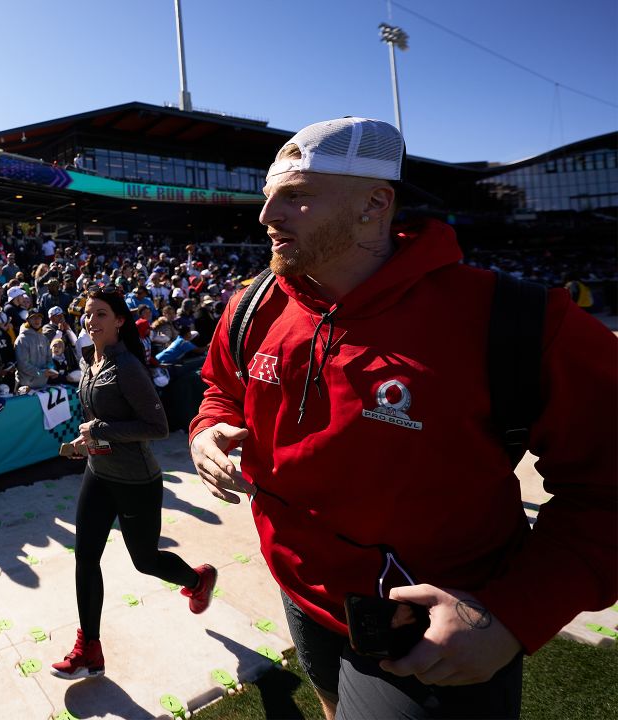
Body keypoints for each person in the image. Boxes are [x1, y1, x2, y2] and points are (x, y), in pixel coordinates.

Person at [188, 117, 617, 719]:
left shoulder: (517, 319)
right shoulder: (251, 304)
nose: (267, 218)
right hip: (298, 591)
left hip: (435, 620)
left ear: (376, 203)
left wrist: (516, 614)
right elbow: (220, 388)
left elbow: (608, 490)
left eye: (297, 196)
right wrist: (208, 428)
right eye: (268, 198)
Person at [52, 288, 216, 680]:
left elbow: (157, 428)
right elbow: (101, 424)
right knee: (85, 558)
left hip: (136, 481)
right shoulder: (91, 360)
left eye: (101, 314)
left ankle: (198, 579)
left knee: (145, 561)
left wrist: (101, 429)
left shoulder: (127, 366)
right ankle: (88, 647)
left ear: (120, 320)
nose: (91, 321)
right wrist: (85, 442)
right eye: (88, 314)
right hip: (98, 472)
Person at [14, 307, 56, 391]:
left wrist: (51, 369)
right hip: (26, 387)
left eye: (39, 317)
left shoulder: (44, 338)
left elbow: (49, 358)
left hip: (43, 385)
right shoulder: (22, 339)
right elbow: (22, 365)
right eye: (33, 317)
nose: (37, 320)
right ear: (28, 320)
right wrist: (41, 373)